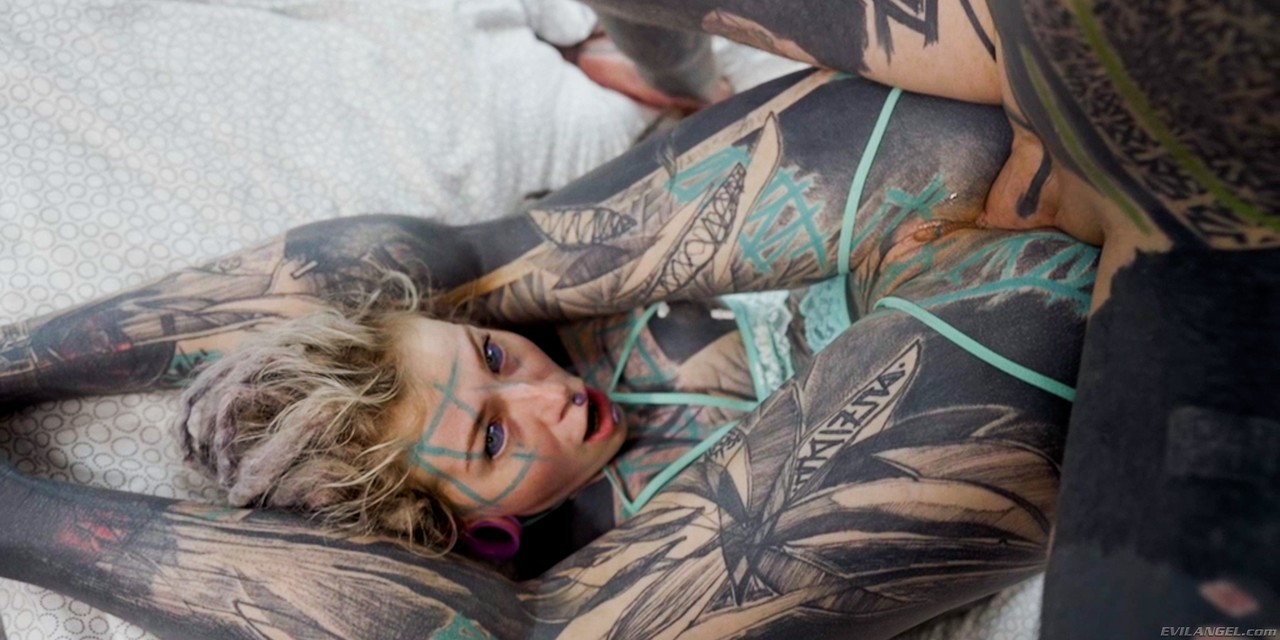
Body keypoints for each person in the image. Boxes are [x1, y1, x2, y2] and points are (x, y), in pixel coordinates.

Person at [1, 44, 1098, 638]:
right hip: (1034, 328)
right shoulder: (579, 576)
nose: (542, 395)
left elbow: (411, 266)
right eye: (489, 439)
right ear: (462, 527)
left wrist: (21, 359)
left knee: (467, 257)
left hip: (980, 176)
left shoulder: (556, 298)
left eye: (488, 360)